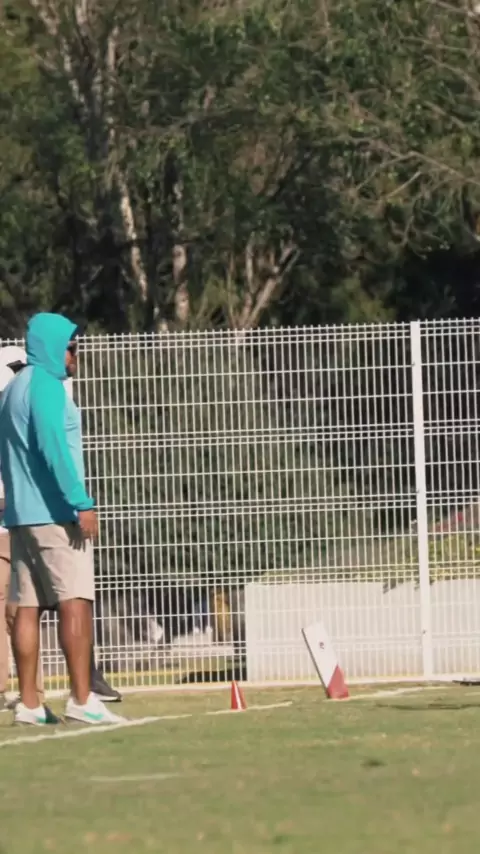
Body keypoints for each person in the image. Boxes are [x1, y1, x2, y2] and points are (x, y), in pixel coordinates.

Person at [0, 314, 125, 725]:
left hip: (21, 517)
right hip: (54, 515)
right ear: (53, 347)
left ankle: (30, 705)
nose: (75, 355)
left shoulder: (13, 389)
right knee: (76, 601)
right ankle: (82, 699)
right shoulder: (46, 387)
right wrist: (81, 502)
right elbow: (54, 448)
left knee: (27, 607)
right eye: (71, 348)